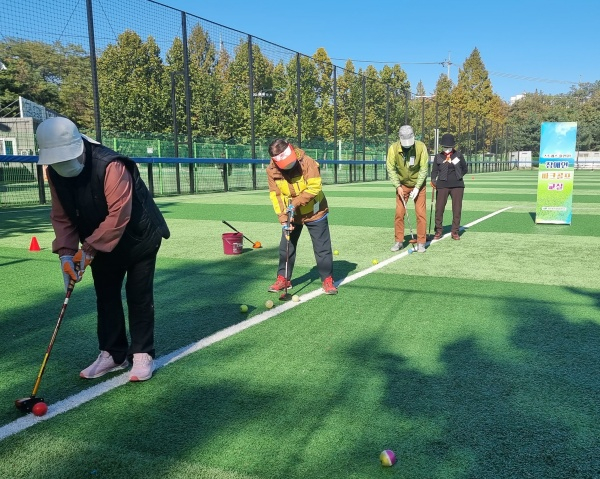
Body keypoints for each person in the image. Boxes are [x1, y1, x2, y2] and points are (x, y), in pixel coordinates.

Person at [36, 116, 170, 382]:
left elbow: (119, 214)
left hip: (139, 237)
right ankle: (113, 354)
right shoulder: (54, 173)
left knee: (138, 295)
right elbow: (62, 216)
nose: (62, 164)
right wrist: (66, 254)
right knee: (106, 296)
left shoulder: (110, 164)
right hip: (100, 240)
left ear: (78, 147)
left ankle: (142, 353)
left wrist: (87, 250)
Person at [266, 138, 337, 295]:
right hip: (291, 214)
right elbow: (276, 195)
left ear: (292, 150)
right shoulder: (271, 170)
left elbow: (314, 187)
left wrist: (295, 203)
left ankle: (327, 279)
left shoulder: (308, 162)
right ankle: (283, 278)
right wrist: (283, 218)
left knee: (322, 247)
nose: (289, 165)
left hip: (315, 211)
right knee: (286, 246)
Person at [386, 125, 429, 253]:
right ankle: (398, 241)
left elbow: (424, 168)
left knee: (420, 214)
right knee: (399, 213)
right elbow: (391, 168)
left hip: (419, 185)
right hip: (402, 184)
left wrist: (417, 187)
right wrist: (398, 186)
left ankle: (421, 242)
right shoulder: (393, 149)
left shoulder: (421, 147)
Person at [430, 133, 468, 241]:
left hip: (457, 186)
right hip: (442, 185)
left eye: (449, 147)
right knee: (439, 209)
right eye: (445, 147)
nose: (447, 149)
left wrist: (459, 176)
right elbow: (434, 171)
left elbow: (465, 169)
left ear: (453, 146)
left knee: (457, 209)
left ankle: (455, 231)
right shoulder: (438, 157)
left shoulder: (458, 155)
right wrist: (433, 180)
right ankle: (438, 231)